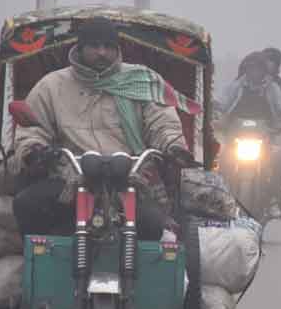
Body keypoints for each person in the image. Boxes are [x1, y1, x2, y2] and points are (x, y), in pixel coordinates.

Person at [13, 17, 195, 240]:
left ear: (117, 49)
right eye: (94, 46)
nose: (102, 52)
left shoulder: (139, 80)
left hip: (128, 181)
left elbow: (162, 122)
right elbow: (33, 129)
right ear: (80, 48)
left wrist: (174, 146)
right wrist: (35, 151)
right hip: (70, 179)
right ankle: (38, 270)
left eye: (108, 46)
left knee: (154, 226)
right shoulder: (52, 86)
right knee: (26, 206)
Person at [218, 51, 281, 217]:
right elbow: (223, 100)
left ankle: (271, 197)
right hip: (235, 135)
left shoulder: (273, 87)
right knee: (220, 159)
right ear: (246, 70)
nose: (255, 73)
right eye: (251, 69)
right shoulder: (237, 85)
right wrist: (216, 108)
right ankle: (220, 194)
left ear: (264, 71)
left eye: (258, 69)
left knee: (278, 160)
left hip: (266, 136)